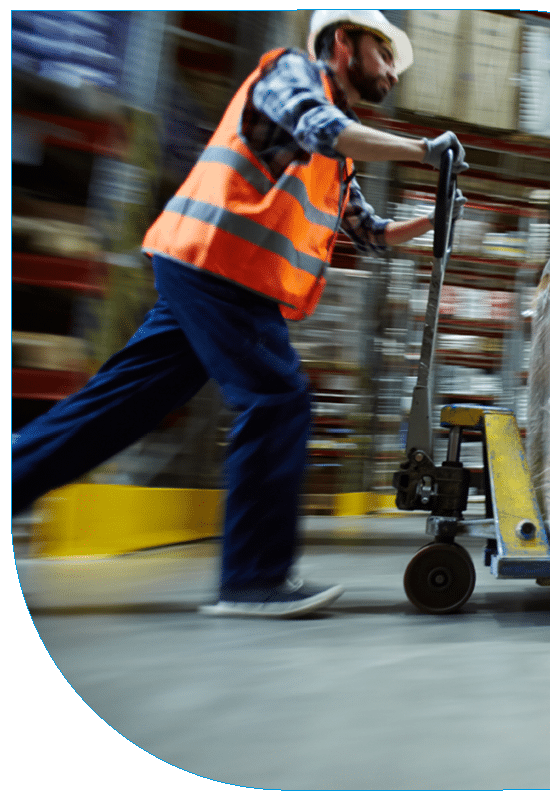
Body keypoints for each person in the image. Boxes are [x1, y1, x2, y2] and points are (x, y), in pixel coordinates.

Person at [12, 10, 468, 618]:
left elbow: (369, 233)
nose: (392, 71)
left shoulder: (341, 156)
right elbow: (321, 127)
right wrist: (422, 151)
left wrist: (433, 219)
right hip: (218, 265)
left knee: (117, 410)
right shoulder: (291, 73)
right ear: (342, 43)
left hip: (212, 268)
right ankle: (253, 580)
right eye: (384, 53)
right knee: (277, 398)